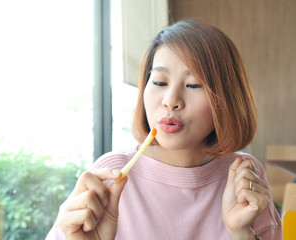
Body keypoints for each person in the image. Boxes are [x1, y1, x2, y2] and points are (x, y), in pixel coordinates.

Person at [46, 19, 282, 240]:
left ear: (226, 99)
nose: (171, 100)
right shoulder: (110, 176)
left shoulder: (245, 177)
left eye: (194, 85)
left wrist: (241, 233)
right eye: (159, 82)